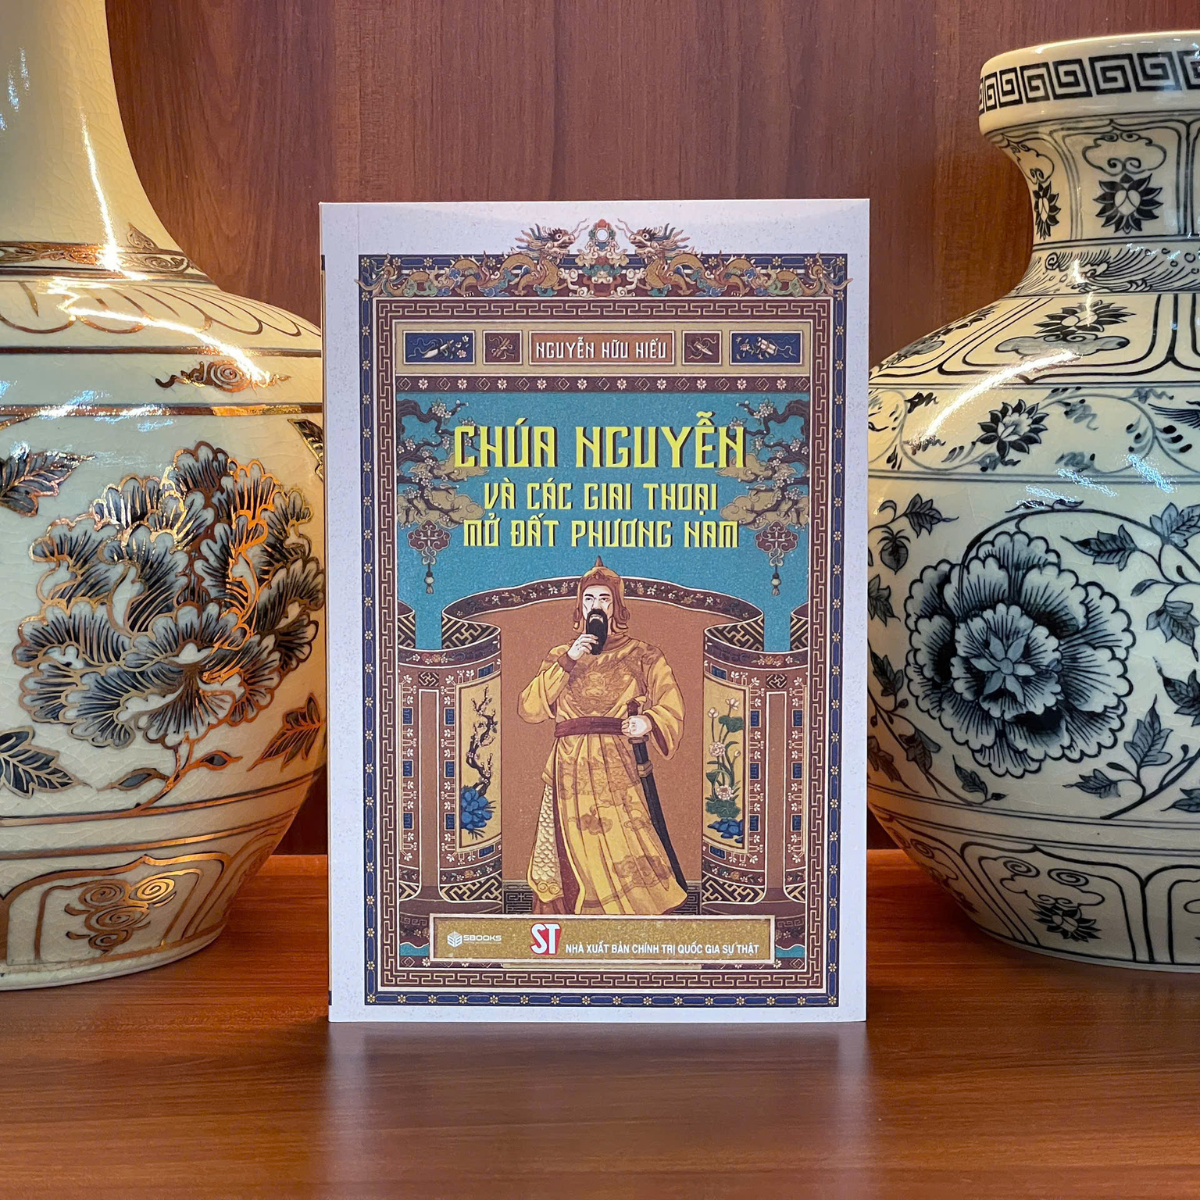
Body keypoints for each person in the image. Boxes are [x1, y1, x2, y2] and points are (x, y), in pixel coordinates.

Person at [518, 558, 687, 915]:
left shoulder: (642, 654)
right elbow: (530, 709)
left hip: (616, 763)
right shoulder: (560, 655)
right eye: (590, 598)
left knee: (628, 839)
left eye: (605, 599)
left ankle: (635, 926)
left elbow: (670, 702)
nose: (596, 605)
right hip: (568, 767)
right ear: (580, 607)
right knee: (566, 850)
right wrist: (569, 659)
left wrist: (649, 721)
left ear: (616, 607)